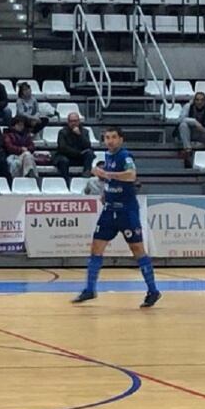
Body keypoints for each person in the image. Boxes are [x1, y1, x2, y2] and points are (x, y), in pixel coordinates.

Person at [73, 127, 161, 309]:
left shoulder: (124, 156)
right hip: (109, 210)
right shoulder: (108, 156)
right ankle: (90, 289)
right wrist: (106, 192)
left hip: (126, 211)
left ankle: (153, 290)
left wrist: (107, 174)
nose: (110, 141)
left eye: (113, 137)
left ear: (120, 139)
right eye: (107, 138)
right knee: (96, 248)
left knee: (137, 249)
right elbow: (112, 181)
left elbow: (131, 175)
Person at [177, 91, 205, 157]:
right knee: (183, 125)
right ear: (194, 100)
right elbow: (180, 119)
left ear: (204, 101)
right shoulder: (188, 106)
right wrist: (194, 122)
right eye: (197, 100)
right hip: (189, 132)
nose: (199, 102)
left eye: (202, 100)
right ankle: (188, 150)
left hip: (201, 132)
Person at [55, 111, 95, 177]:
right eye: (71, 121)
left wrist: (80, 135)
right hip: (67, 156)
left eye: (75, 121)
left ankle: (86, 173)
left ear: (79, 121)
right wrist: (78, 153)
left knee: (89, 153)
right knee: (63, 160)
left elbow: (88, 146)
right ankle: (66, 181)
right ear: (68, 122)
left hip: (79, 157)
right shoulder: (62, 132)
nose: (73, 123)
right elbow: (62, 148)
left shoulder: (85, 132)